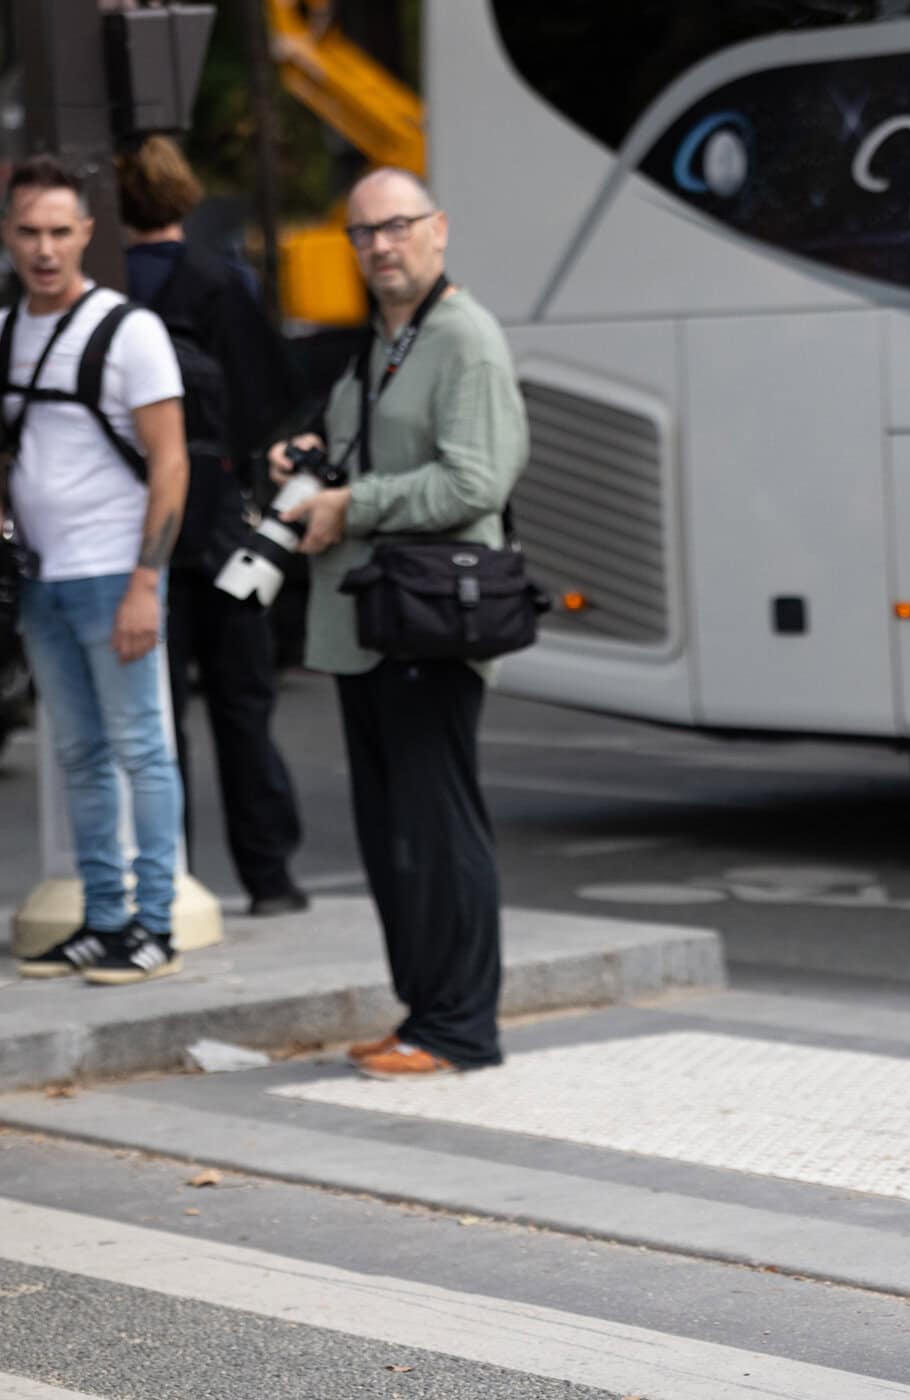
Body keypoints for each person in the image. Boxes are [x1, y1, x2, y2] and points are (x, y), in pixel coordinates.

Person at [266, 167, 527, 1080]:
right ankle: (423, 1011)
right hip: (372, 622)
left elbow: (476, 482)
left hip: (433, 620)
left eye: (397, 226)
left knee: (440, 829)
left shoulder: (465, 340)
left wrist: (354, 504)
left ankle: (461, 1030)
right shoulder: (380, 341)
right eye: (364, 232)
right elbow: (369, 457)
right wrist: (308, 463)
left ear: (438, 229)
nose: (381, 245)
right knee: (394, 837)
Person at [3, 156, 191, 985]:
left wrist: (147, 583)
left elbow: (171, 461)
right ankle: (104, 919)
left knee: (141, 749)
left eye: (59, 231)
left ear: (87, 233)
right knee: (78, 754)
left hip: (117, 574)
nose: (44, 249)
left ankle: (156, 925)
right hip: (40, 581)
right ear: (8, 236)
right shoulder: (6, 329)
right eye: (28, 232)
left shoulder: (129, 331)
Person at [115, 135, 309, 918]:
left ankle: (174, 879)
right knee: (244, 707)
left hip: (141, 530)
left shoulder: (106, 293)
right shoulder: (224, 284)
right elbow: (268, 404)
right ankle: (270, 877)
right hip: (227, 529)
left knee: (156, 721)